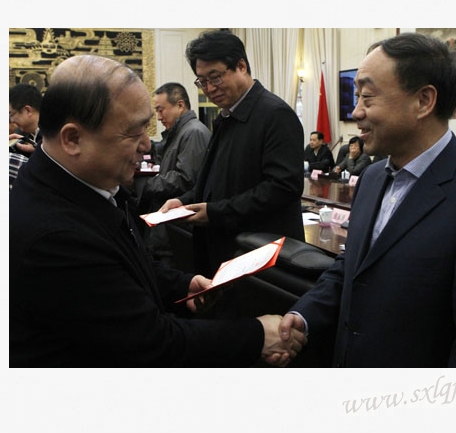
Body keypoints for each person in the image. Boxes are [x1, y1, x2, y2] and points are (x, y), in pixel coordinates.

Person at [9, 54, 307, 367]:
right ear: (73, 139)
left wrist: (180, 285)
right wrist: (257, 335)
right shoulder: (55, 237)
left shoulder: (78, 186)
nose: (145, 145)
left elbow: (123, 263)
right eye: (134, 132)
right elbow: (150, 344)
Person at [278, 32, 456, 367]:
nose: (355, 112)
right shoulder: (372, 178)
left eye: (367, 97)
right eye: (357, 97)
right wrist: (303, 316)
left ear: (423, 101)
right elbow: (351, 269)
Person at [159, 30, 305, 317]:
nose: (209, 88)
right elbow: (216, 180)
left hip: (256, 260)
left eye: (215, 77)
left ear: (241, 66)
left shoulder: (275, 114)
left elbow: (283, 187)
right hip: (225, 250)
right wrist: (184, 201)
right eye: (202, 81)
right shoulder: (227, 115)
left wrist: (215, 212)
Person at [138, 82, 211, 264]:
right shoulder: (179, 132)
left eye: (161, 110)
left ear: (180, 105)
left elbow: (185, 179)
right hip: (169, 229)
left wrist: (142, 185)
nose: (159, 117)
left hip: (178, 230)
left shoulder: (194, 132)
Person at [9, 83, 43, 157]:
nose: (11, 120)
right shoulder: (22, 135)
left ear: (28, 111)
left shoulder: (54, 135)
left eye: (11, 114)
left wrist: (38, 151)